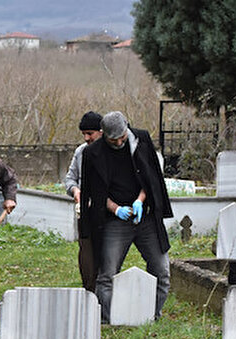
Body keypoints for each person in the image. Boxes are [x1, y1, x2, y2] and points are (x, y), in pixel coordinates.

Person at [79, 111, 173, 324]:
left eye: (122, 137)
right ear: (104, 135)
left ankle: (152, 317)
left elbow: (151, 178)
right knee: (107, 275)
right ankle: (111, 319)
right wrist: (116, 209)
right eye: (114, 140)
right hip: (114, 221)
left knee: (162, 271)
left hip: (145, 218)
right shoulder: (93, 153)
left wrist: (140, 200)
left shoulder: (140, 139)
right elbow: (93, 192)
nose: (120, 142)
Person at [64, 111, 103, 291]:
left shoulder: (108, 151)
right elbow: (70, 178)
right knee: (86, 251)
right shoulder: (81, 151)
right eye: (84, 134)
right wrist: (75, 190)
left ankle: (103, 288)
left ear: (101, 131)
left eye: (90, 133)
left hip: (106, 211)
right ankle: (89, 287)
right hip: (84, 211)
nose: (87, 138)